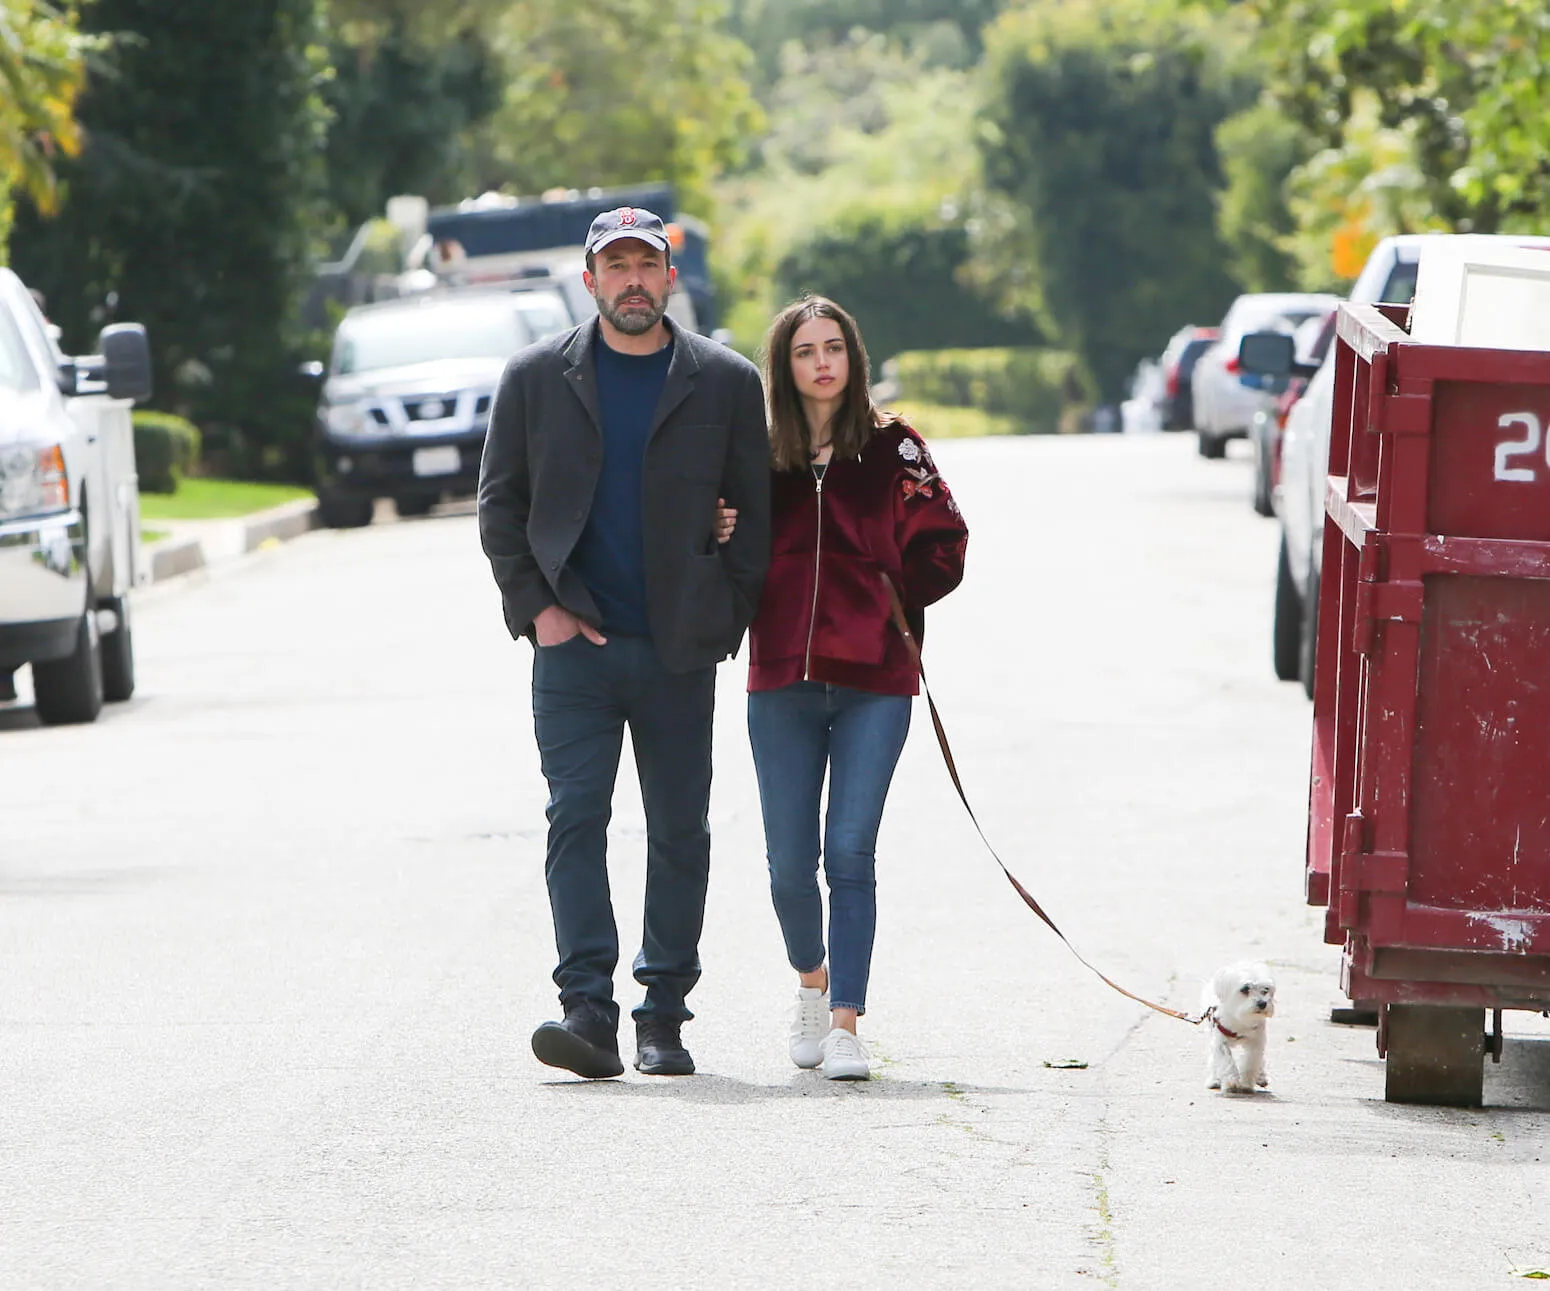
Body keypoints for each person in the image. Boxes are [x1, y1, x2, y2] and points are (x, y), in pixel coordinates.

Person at [477, 207, 771, 1080]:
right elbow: (501, 507)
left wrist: (725, 616)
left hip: (679, 647)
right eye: (618, 266)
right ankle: (589, 1010)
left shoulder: (724, 381)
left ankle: (663, 1014)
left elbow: (754, 516)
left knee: (681, 830)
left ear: (671, 277)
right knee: (576, 818)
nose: (633, 279)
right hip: (574, 650)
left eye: (649, 263)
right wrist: (540, 611)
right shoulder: (535, 378)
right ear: (590, 279)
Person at [743, 295, 968, 1080]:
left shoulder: (893, 447)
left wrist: (886, 594)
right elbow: (717, 539)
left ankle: (845, 1022)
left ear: (854, 356)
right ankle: (812, 982)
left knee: (850, 850)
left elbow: (947, 544)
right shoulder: (756, 452)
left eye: (834, 347)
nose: (822, 363)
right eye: (805, 351)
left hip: (876, 678)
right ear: (785, 365)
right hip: (781, 680)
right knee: (785, 863)